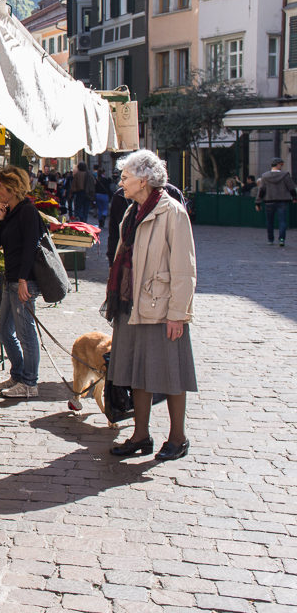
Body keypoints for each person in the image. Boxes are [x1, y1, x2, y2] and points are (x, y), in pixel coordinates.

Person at [105, 149, 197, 461]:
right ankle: (140, 435)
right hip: (131, 303)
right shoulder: (132, 210)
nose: (121, 183)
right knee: (136, 371)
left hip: (160, 306)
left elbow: (184, 268)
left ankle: (178, 437)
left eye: (126, 177)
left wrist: (178, 314)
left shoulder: (172, 212)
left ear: (144, 181)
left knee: (171, 373)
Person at [0, 166, 43, 399]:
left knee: (26, 333)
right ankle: (18, 374)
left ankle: (30, 383)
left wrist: (23, 281)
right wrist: (0, 218)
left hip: (24, 281)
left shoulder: (28, 211)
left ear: (11, 189)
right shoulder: (10, 212)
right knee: (3, 329)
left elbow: (30, 247)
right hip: (10, 279)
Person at [106, 180, 185, 264]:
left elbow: (182, 243)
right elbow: (114, 234)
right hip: (129, 264)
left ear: (142, 180)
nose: (120, 183)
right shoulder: (120, 196)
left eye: (126, 178)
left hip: (159, 267)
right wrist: (112, 262)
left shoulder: (173, 195)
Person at [255, 157, 297, 247]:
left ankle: (270, 239)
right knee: (282, 221)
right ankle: (281, 239)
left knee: (270, 221)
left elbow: (261, 190)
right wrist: (294, 197)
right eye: (281, 164)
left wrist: (258, 203)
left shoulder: (265, 176)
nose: (282, 166)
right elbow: (291, 188)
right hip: (282, 201)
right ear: (278, 165)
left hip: (269, 201)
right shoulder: (285, 175)